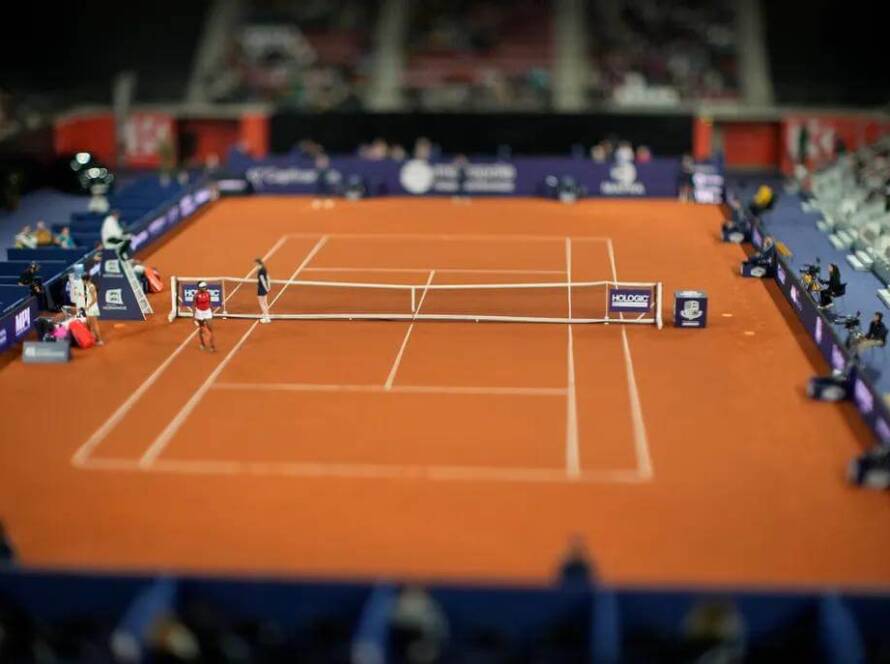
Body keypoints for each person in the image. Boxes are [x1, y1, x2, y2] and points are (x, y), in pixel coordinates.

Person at [81, 273, 103, 345]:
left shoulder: (91, 287)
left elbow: (94, 299)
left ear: (85, 280)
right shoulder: (87, 286)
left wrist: (88, 306)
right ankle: (91, 337)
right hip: (89, 308)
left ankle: (100, 340)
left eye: (83, 280)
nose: (82, 281)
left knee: (94, 325)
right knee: (88, 323)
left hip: (92, 308)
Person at [193, 281, 216, 352]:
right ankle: (202, 343)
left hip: (207, 312)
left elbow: (210, 302)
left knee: (210, 329)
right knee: (201, 329)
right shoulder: (196, 296)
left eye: (205, 286)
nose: (205, 288)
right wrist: (193, 316)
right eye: (203, 287)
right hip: (199, 313)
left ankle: (212, 345)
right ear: (199, 288)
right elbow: (194, 306)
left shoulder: (208, 293)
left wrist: (212, 310)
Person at [256, 258, 271, 323]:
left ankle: (266, 318)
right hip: (264, 288)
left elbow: (262, 280)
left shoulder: (260, 271)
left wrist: (266, 288)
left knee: (261, 303)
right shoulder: (264, 269)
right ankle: (267, 316)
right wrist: (269, 286)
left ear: (257, 263)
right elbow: (268, 277)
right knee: (265, 303)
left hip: (261, 288)